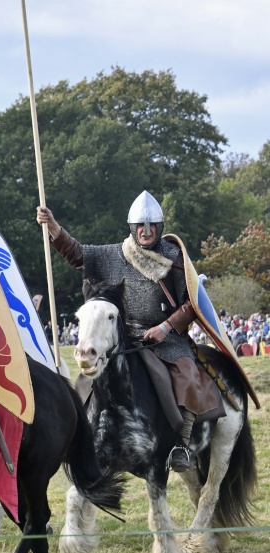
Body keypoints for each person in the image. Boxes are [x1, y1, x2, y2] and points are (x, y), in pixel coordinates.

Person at [36, 191, 222, 473]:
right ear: (132, 227)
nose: (145, 232)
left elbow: (191, 304)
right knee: (86, 381)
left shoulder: (173, 258)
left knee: (188, 376)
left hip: (166, 338)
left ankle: (181, 444)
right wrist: (53, 227)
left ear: (159, 227)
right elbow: (77, 253)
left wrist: (166, 326)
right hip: (122, 336)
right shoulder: (114, 254)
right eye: (140, 226)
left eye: (151, 227)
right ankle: (77, 436)